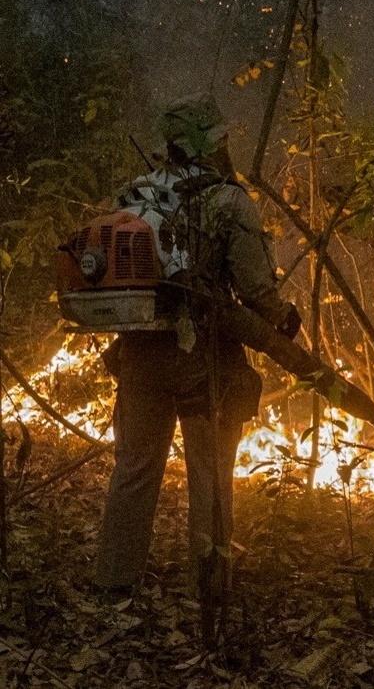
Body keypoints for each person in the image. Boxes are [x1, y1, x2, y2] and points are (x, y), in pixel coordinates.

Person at [93, 93, 301, 623]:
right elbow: (255, 289)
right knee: (210, 472)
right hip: (206, 355)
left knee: (135, 467)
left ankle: (114, 584)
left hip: (141, 353)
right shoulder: (230, 201)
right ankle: (210, 589)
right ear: (210, 144)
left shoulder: (133, 194)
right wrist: (283, 317)